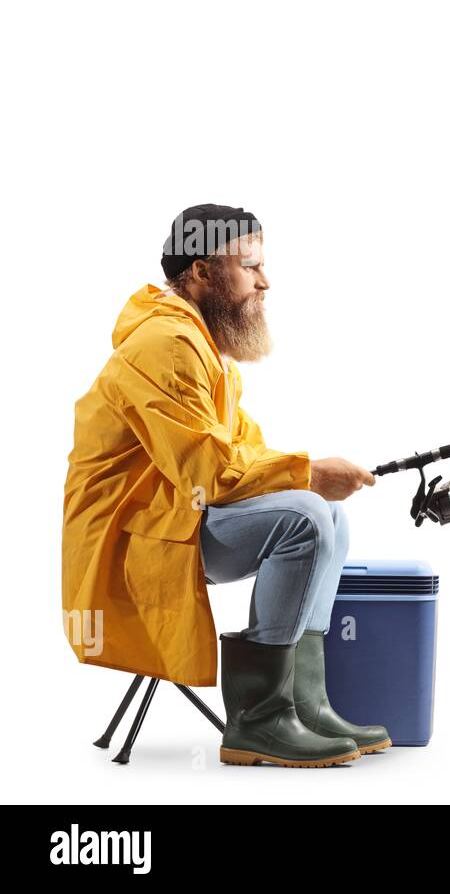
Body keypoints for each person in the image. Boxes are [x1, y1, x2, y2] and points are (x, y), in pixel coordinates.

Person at [62, 203, 388, 768]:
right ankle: (258, 720)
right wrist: (309, 474)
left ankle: (305, 706)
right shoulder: (165, 345)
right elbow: (208, 472)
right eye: (250, 266)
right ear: (202, 272)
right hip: (130, 539)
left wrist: (312, 476)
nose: (265, 281)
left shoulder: (202, 346)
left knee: (329, 516)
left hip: (171, 516)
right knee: (306, 517)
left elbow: (242, 452)